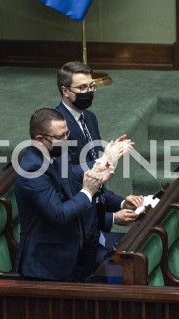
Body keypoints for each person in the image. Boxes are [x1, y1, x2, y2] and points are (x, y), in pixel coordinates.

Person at [56, 61, 142, 280]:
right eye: (82, 88)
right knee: (123, 272)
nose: (89, 92)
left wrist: (123, 202)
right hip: (76, 236)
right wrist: (112, 218)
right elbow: (68, 178)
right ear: (65, 91)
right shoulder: (57, 126)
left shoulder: (89, 118)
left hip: (95, 223)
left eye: (91, 86)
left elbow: (98, 182)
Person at [14, 108, 115, 281]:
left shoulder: (56, 153)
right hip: (47, 266)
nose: (66, 140)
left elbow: (72, 173)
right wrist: (87, 191)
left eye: (66, 134)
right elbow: (59, 213)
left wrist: (103, 162)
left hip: (71, 251)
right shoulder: (32, 168)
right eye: (60, 137)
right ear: (40, 139)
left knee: (116, 272)